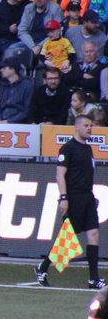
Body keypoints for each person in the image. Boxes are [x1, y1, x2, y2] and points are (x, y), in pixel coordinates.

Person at [36, 114, 105, 290]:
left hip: (88, 197)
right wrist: (64, 198)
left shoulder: (88, 149)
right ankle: (42, 267)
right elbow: (60, 174)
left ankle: (93, 279)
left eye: (91, 126)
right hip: (73, 198)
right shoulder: (67, 148)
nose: (89, 128)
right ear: (77, 127)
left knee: (94, 235)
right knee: (66, 239)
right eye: (86, 126)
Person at [0, 56, 33, 123]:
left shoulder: (27, 85)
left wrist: (9, 121)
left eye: (4, 68)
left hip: (18, 123)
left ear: (13, 69)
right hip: (1, 121)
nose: (1, 70)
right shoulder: (3, 86)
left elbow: (26, 110)